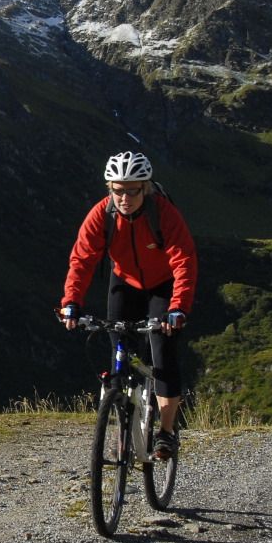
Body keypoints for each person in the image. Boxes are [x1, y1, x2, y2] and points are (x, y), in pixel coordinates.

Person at [58, 151, 198, 460]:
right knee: (118, 352)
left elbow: (184, 260)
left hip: (162, 286)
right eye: (117, 190)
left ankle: (166, 431)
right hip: (124, 283)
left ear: (145, 188)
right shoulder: (102, 215)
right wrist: (71, 302)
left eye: (132, 190)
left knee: (162, 351)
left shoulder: (161, 213)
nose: (124, 197)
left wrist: (177, 307)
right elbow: (82, 259)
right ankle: (123, 424)